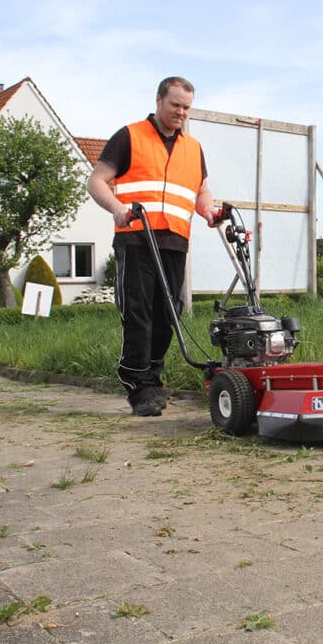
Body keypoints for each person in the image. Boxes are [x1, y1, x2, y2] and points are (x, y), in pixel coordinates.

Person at [87, 77, 217, 417]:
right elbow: (96, 180)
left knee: (166, 316)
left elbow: (200, 191)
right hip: (137, 238)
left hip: (175, 240)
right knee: (138, 314)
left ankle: (153, 380)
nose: (181, 112)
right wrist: (117, 209)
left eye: (186, 107)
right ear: (159, 101)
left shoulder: (193, 148)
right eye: (175, 105)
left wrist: (210, 211)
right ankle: (138, 387)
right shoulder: (129, 136)